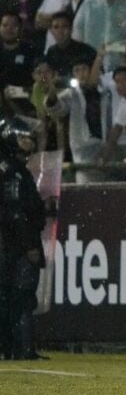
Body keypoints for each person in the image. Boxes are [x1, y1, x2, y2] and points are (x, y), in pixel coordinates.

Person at [0, 116, 46, 360]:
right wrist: (29, 245)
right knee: (22, 296)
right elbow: (16, 212)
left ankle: (9, 348)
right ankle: (23, 348)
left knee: (9, 296)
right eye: (23, 137)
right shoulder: (13, 173)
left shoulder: (13, 170)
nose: (29, 141)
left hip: (9, 244)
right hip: (16, 245)